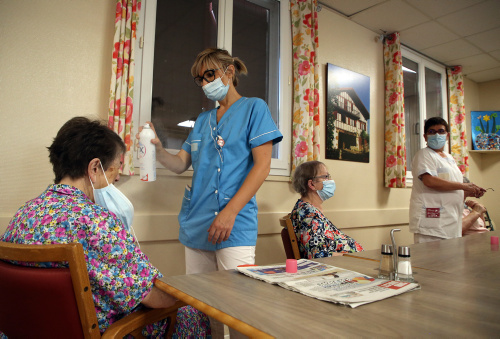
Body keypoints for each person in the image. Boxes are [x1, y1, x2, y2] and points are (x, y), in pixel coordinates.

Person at [138, 47, 282, 337]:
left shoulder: (255, 108)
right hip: (198, 221)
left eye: (209, 75)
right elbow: (180, 164)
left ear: (230, 72)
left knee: (239, 307)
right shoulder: (203, 120)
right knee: (202, 307)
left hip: (234, 222)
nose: (204, 83)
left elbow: (262, 166)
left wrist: (229, 213)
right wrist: (158, 151)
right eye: (199, 79)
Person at [0, 117, 177, 336]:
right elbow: (158, 297)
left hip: (27, 331)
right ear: (94, 167)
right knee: (190, 315)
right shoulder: (98, 223)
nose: (116, 178)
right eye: (115, 170)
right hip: (96, 332)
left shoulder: (23, 215)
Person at [409, 117, 486, 243]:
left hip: (451, 222)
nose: (436, 134)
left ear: (447, 135)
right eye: (432, 132)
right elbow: (429, 181)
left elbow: (452, 187)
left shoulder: (449, 159)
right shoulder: (424, 154)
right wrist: (464, 186)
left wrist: (470, 190)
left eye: (441, 131)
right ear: (425, 136)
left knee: (453, 261)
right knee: (431, 262)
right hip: (432, 224)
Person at [290, 161, 363, 258]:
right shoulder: (310, 215)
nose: (330, 180)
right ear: (312, 184)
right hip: (342, 265)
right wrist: (351, 257)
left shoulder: (307, 209)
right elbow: (318, 255)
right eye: (326, 177)